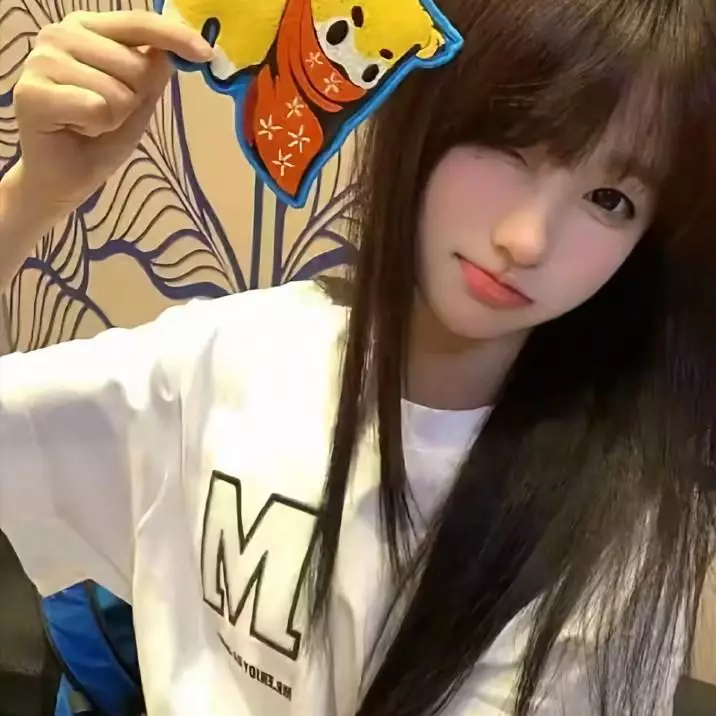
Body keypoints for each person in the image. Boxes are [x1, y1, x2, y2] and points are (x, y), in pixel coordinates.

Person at [1, 1, 716, 714]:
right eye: (511, 142)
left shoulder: (629, 535)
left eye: (609, 199)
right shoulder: (226, 358)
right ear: (427, 107)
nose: (527, 240)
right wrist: (32, 196)